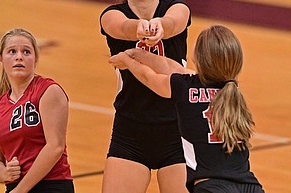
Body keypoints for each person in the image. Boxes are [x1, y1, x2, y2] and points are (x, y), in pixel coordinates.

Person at [109, 25, 265, 193]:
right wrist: (137, 54)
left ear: (198, 57)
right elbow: (173, 68)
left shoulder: (184, 87)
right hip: (250, 186)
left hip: (212, 187)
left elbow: (149, 77)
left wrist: (127, 62)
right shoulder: (233, 94)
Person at [100, 0, 191, 193]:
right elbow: (121, 28)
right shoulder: (111, 16)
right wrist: (140, 29)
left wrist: (160, 26)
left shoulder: (177, 8)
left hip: (178, 129)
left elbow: (175, 23)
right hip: (131, 129)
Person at [0, 28, 75, 193]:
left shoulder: (48, 90)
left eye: (26, 52)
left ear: (35, 59)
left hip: (51, 185)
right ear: (1, 58)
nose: (19, 56)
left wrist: (21, 190)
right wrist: (4, 172)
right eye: (12, 51)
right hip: (15, 187)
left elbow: (55, 147)